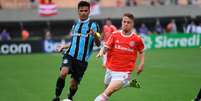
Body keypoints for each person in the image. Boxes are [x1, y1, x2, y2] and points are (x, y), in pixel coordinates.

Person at [52, 1, 101, 101]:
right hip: (70, 55)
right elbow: (74, 42)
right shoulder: (75, 25)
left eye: (85, 11)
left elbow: (98, 44)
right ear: (78, 11)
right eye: (81, 10)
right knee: (63, 73)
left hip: (82, 60)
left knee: (73, 85)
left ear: (89, 11)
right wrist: (63, 46)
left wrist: (95, 35)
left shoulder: (93, 25)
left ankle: (70, 97)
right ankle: (56, 97)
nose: (83, 13)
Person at [95, 13, 144, 101]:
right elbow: (106, 47)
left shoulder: (137, 39)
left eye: (128, 22)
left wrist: (141, 63)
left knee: (107, 92)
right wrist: (101, 52)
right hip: (110, 69)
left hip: (123, 73)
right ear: (121, 22)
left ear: (132, 24)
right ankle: (128, 83)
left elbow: (141, 51)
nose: (126, 24)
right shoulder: (114, 35)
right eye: (124, 21)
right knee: (106, 86)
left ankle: (125, 81)